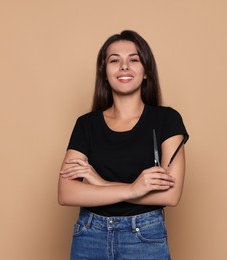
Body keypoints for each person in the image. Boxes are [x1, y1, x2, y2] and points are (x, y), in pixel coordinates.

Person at [58, 30, 189, 260]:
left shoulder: (167, 120)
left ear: (146, 70)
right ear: (104, 72)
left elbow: (170, 195)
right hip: (90, 236)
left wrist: (100, 183)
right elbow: (67, 192)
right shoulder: (86, 125)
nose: (124, 67)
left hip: (145, 238)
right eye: (115, 60)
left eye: (134, 59)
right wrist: (132, 189)